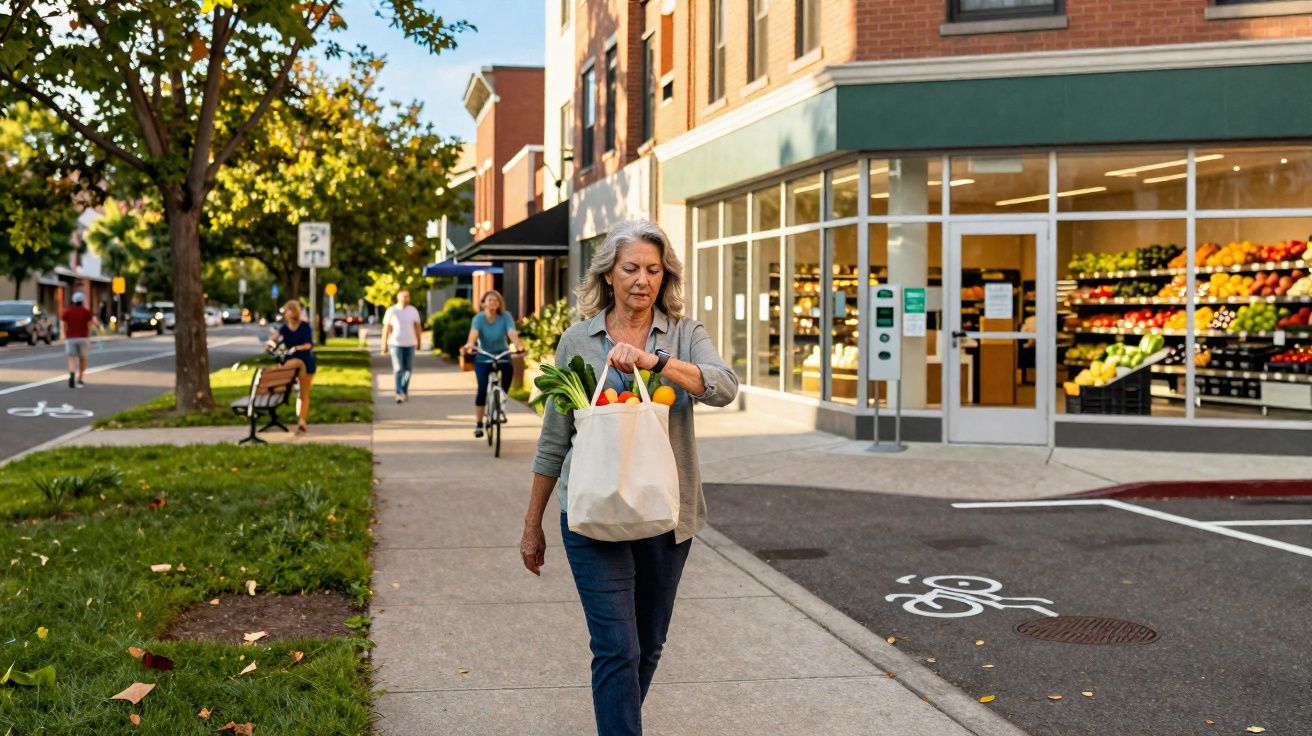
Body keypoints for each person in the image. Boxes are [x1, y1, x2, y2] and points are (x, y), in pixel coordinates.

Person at [523, 220, 738, 736]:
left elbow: (724, 386)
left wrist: (653, 361)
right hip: (591, 512)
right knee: (616, 647)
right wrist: (533, 524)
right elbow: (555, 438)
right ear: (609, 275)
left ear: (665, 278)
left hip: (665, 512)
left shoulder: (685, 334)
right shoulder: (578, 340)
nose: (642, 280)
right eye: (631, 269)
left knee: (647, 644)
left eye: (653, 270)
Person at [461, 289, 524, 437]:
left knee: (508, 374)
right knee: (482, 389)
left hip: (502, 354)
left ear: (499, 303)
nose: (493, 302)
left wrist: (519, 346)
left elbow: (511, 333)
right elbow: (473, 334)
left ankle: (500, 403)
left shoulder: (505, 316)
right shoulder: (479, 318)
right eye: (490, 300)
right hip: (484, 356)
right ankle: (479, 424)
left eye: (496, 300)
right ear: (483, 303)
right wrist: (470, 345)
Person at [264, 299, 316, 432]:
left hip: (306, 361)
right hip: (291, 364)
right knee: (289, 386)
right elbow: (275, 337)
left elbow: (309, 344)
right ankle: (298, 414)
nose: (291, 314)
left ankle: (302, 420)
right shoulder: (285, 328)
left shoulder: (304, 326)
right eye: (289, 311)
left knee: (304, 393)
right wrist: (270, 343)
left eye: (293, 311)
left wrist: (297, 348)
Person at [380, 290, 424, 403]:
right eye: (404, 297)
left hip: (410, 344)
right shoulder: (392, 310)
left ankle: (404, 390)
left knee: (408, 370)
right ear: (398, 298)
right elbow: (386, 328)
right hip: (395, 344)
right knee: (398, 369)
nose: (406, 299)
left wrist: (419, 341)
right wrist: (383, 344)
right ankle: (399, 392)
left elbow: (417, 327)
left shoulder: (413, 310)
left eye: (407, 297)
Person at [60, 292, 100, 388]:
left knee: (72, 358)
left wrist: (63, 334)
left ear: (73, 301)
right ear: (82, 301)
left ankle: (72, 374)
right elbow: (94, 322)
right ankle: (80, 379)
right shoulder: (86, 311)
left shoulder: (67, 311)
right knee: (83, 358)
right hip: (83, 338)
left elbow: (63, 323)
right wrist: (98, 329)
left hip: (70, 338)